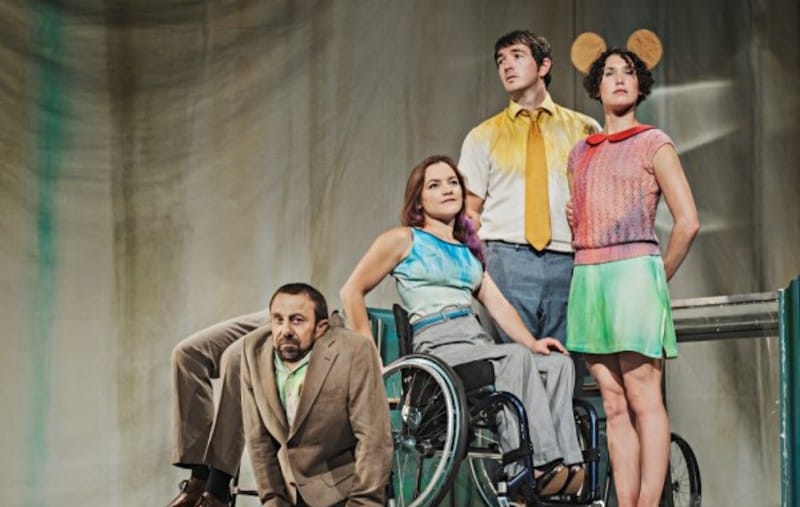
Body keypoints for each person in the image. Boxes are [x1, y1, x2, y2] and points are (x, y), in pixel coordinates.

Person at [340, 155, 585, 499]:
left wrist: (533, 343)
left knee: (557, 364)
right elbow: (351, 290)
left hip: (476, 340)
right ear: (418, 200)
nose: (447, 190)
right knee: (513, 358)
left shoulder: (468, 250)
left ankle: (568, 464)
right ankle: (526, 465)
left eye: (453, 182)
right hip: (439, 346)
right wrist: (369, 355)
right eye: (434, 185)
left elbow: (498, 305)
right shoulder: (403, 239)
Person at [565, 31, 700, 507]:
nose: (618, 79)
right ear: (595, 87)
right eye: (608, 73)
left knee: (644, 399)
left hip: (633, 273)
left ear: (641, 86)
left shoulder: (653, 142)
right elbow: (580, 213)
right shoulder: (580, 152)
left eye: (628, 72)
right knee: (614, 402)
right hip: (589, 276)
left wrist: (655, 278)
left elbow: (688, 221)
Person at [458, 30, 600, 347]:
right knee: (514, 362)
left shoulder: (585, 129)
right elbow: (470, 208)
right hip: (506, 255)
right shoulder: (483, 135)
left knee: (565, 362)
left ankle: (562, 401)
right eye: (500, 60)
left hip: (568, 256)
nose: (507, 66)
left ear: (544, 65)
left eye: (517, 56)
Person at [240, 283, 393, 507]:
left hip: (342, 494)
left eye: (297, 320)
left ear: (321, 327)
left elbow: (374, 438)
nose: (286, 331)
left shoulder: (354, 350)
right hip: (288, 493)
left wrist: (364, 502)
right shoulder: (253, 351)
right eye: (278, 319)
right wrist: (273, 499)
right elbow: (258, 440)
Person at [167, 311, 270, 507]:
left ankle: (217, 490)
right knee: (187, 354)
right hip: (284, 307)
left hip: (318, 317)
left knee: (238, 359)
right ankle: (199, 479)